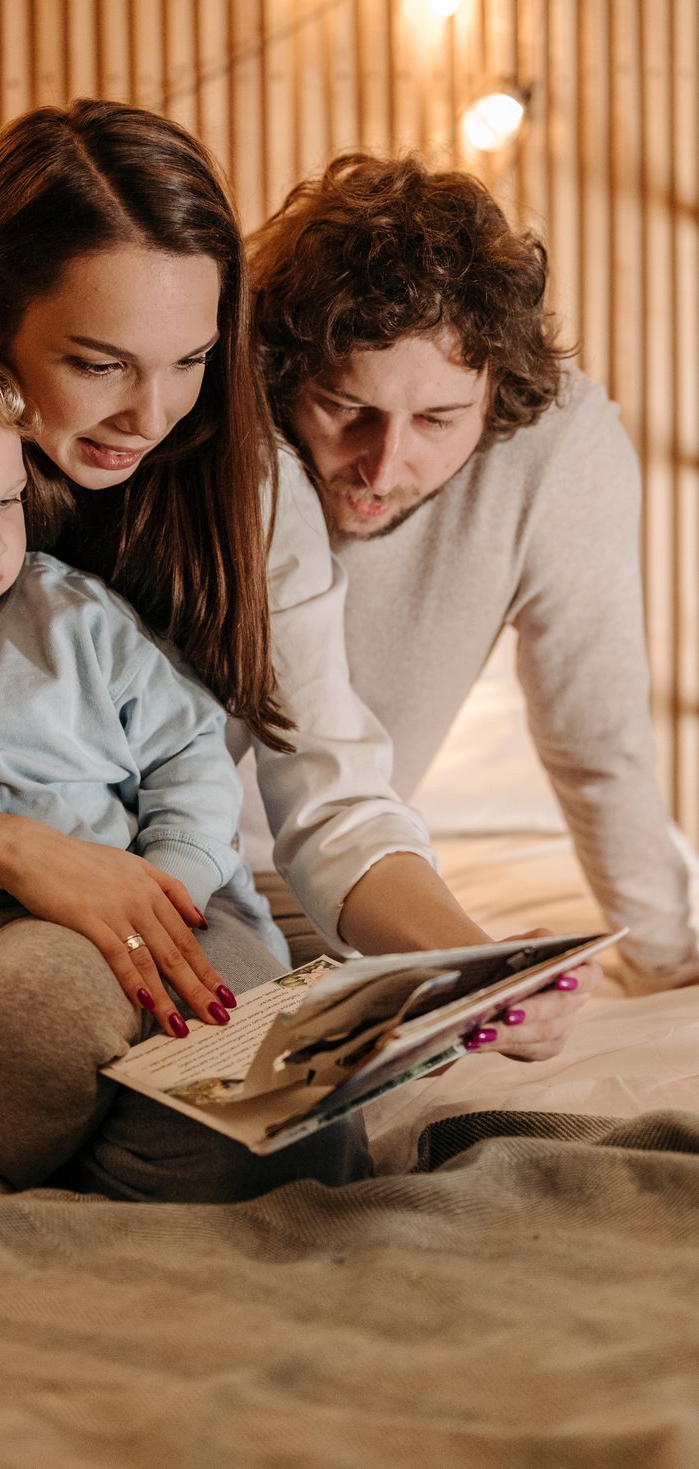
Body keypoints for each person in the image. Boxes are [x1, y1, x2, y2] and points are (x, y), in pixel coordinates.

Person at [0, 103, 595, 1193]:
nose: (152, 413)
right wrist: (29, 855)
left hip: (141, 925)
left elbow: (333, 797)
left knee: (297, 1142)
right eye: (98, 362)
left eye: (189, 359)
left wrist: (467, 966)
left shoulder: (245, 486)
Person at [248, 150, 699, 995]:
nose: (383, 468)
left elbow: (595, 741)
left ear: (497, 394)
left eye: (436, 420)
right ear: (284, 370)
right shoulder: (226, 418)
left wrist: (667, 967)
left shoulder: (558, 447)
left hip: (359, 886)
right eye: (347, 408)